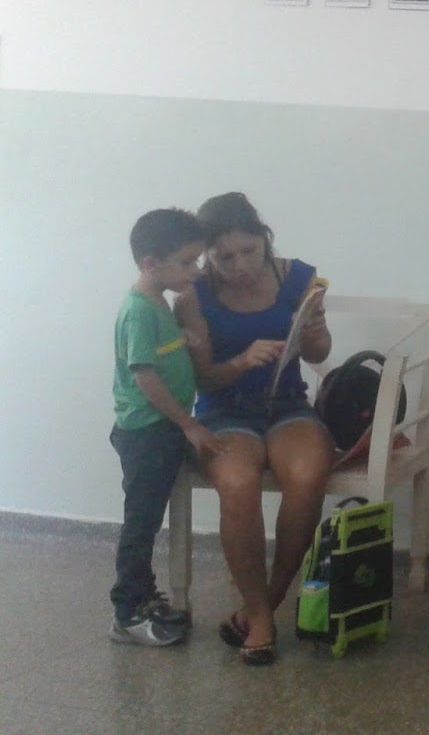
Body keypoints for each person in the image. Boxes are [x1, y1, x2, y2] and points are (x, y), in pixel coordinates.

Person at [174, 192, 332, 666]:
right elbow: (203, 379)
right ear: (207, 255)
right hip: (225, 410)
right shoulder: (193, 295)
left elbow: (319, 354)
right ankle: (261, 617)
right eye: (224, 257)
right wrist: (242, 361)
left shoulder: (297, 277)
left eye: (250, 251)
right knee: (238, 482)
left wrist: (314, 331)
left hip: (287, 404)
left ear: (265, 240)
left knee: (307, 476)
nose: (240, 265)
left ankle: (266, 603)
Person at [108, 208, 217, 647]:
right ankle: (127, 614)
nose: (196, 270)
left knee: (148, 521)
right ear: (151, 263)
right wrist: (188, 424)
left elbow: (158, 352)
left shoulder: (160, 302)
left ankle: (144, 597)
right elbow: (144, 376)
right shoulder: (139, 310)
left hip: (162, 430)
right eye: (187, 262)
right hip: (147, 434)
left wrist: (181, 341)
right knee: (141, 525)